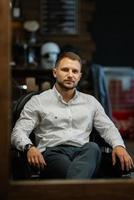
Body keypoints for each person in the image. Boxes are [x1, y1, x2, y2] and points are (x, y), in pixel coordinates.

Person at [11, 52, 134, 179]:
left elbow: (108, 128)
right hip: (52, 153)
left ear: (79, 76)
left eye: (75, 71)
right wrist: (29, 147)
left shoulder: (90, 102)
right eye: (65, 70)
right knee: (81, 171)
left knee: (93, 148)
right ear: (55, 72)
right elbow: (18, 132)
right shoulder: (38, 101)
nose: (70, 75)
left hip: (85, 153)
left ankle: (75, 188)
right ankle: (81, 188)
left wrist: (119, 146)